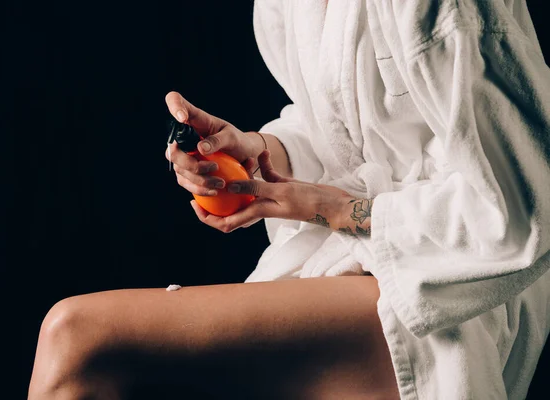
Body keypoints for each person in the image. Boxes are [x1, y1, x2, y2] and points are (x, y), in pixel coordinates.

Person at [28, 0, 550, 399]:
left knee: (76, 339)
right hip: (349, 265)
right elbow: (344, 126)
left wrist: (338, 210)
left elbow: (528, 205)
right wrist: (262, 155)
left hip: (447, 293)